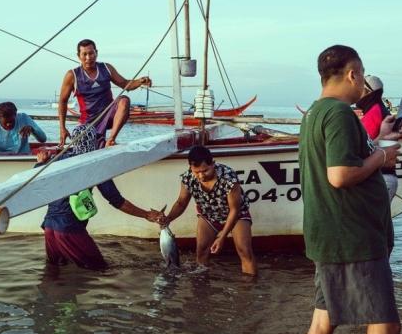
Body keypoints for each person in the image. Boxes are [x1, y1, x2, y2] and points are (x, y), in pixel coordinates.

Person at [299, 44, 402, 334]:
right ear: (352, 73)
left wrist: (381, 137)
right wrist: (383, 156)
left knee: (323, 320)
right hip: (351, 237)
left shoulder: (315, 112)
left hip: (328, 233)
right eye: (361, 76)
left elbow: (345, 161)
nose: (362, 85)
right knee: (385, 328)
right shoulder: (340, 113)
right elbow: (340, 175)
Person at [37, 127, 164, 271]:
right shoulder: (95, 166)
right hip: (69, 228)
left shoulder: (60, 159)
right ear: (94, 142)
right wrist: (146, 215)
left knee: (53, 271)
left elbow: (37, 183)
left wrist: (40, 163)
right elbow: (117, 201)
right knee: (100, 269)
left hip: (49, 227)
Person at [158, 145, 257, 275]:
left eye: (205, 171)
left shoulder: (229, 178)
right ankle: (202, 288)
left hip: (236, 215)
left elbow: (234, 209)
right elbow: (181, 203)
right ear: (190, 167)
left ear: (213, 164)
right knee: (201, 250)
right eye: (196, 171)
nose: (201, 176)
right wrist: (168, 219)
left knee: (244, 250)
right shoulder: (187, 178)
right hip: (208, 216)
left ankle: (249, 287)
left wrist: (222, 236)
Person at [57, 39, 151, 148]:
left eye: (91, 53)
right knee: (93, 149)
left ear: (96, 53)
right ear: (79, 56)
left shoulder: (106, 68)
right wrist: (62, 128)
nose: (88, 58)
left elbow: (125, 84)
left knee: (124, 100)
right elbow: (62, 101)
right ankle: (101, 143)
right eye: (84, 54)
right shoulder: (72, 75)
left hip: (109, 114)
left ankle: (111, 140)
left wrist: (140, 81)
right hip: (89, 122)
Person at [357, 74, 400, 200]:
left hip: (380, 178)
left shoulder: (373, 112)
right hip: (384, 178)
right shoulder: (379, 110)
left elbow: (362, 146)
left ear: (367, 91)